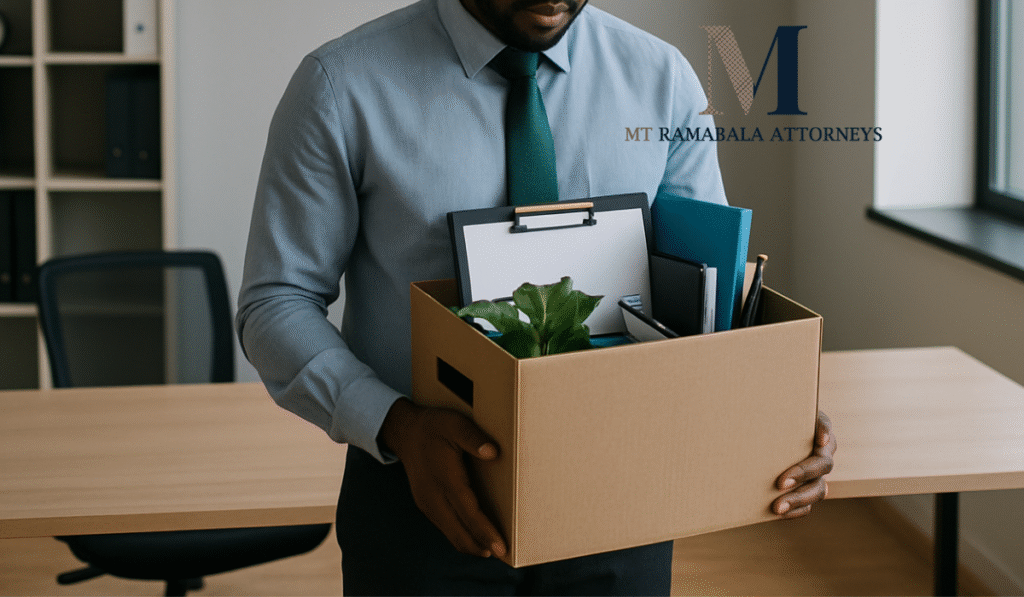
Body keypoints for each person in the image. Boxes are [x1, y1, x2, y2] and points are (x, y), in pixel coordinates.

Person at [237, 0, 836, 594]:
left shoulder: (663, 79)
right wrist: (396, 425)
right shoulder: (341, 85)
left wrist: (768, 412)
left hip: (623, 496)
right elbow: (277, 301)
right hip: (420, 496)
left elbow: (703, 296)